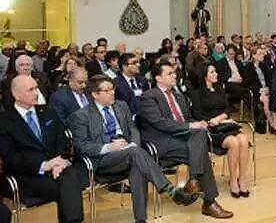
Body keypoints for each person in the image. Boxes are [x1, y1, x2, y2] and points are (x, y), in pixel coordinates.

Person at [68, 75, 197, 222]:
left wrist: (134, 143)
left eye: (113, 88)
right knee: (136, 155)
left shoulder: (121, 105)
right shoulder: (81, 116)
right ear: (95, 94)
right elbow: (82, 146)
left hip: (129, 152)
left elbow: (132, 128)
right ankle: (170, 190)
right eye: (107, 90)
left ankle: (140, 220)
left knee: (137, 165)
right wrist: (110, 147)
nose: (112, 92)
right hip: (103, 159)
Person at [137, 63, 233, 219]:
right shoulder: (149, 97)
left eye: (174, 73)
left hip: (183, 140)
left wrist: (198, 123)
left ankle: (195, 182)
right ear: (158, 78)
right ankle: (209, 202)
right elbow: (161, 123)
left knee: (200, 134)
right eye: (169, 73)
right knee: (201, 153)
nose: (175, 76)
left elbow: (188, 119)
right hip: (163, 142)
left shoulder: (178, 96)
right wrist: (190, 126)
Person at [0, 75, 84, 223]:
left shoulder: (47, 111)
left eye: (36, 88)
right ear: (16, 94)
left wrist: (60, 162)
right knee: (69, 184)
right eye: (30, 90)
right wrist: (44, 165)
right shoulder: (5, 121)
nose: (36, 93)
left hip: (58, 169)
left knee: (70, 176)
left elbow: (63, 140)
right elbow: (10, 157)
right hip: (29, 175)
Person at [191, 64, 250, 198]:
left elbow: (229, 109)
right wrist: (215, 120)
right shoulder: (196, 93)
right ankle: (233, 180)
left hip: (225, 125)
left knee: (244, 141)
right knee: (234, 143)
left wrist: (221, 118)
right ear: (205, 76)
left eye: (215, 71)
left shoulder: (219, 89)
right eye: (212, 72)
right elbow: (197, 115)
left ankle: (242, 178)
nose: (216, 74)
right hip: (211, 129)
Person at [242, 47, 275, 134]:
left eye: (262, 53)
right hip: (256, 92)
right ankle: (272, 124)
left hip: (266, 90)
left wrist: (268, 88)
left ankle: (272, 123)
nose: (262, 55)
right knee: (266, 100)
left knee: (275, 97)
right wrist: (260, 89)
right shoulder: (248, 67)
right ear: (253, 55)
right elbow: (247, 84)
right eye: (259, 53)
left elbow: (269, 80)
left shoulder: (263, 66)